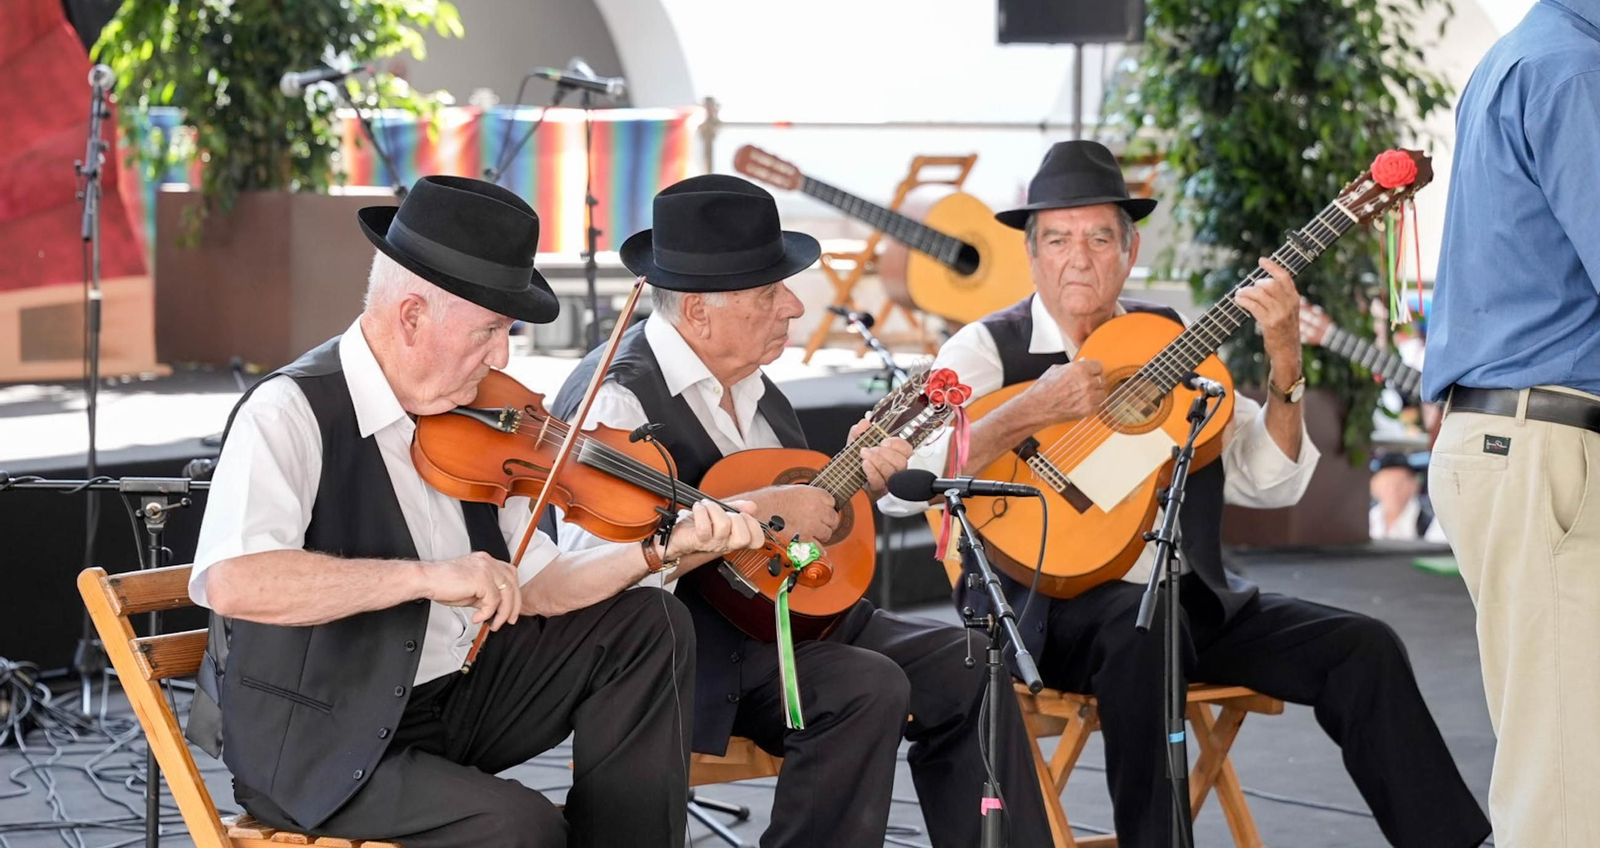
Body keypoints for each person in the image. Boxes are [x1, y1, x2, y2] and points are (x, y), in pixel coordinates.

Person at [880, 141, 1488, 848]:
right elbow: (903, 483)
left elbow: (1271, 479)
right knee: (1146, 631)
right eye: (1058, 239)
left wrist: (1285, 358)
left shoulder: (1167, 338)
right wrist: (1027, 411)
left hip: (1192, 597)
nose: (1079, 257)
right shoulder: (986, 349)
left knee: (1364, 646)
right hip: (1042, 613)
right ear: (1032, 254)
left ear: (1129, 252)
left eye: (1099, 237)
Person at [184, 176, 764, 848]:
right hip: (319, 740)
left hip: (450, 700)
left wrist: (657, 553)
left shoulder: (481, 415)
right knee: (522, 830)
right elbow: (235, 580)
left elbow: (540, 586)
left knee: (649, 623)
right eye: (489, 331)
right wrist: (425, 576)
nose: (503, 357)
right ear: (411, 316)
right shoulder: (290, 411)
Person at [550, 174, 1052, 848]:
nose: (794, 306)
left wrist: (852, 493)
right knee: (864, 687)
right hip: (688, 659)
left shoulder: (754, 388)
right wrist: (758, 511)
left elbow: (802, 545)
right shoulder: (617, 405)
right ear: (698, 311)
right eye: (770, 292)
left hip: (789, 630)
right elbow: (590, 581)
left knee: (972, 662)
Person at [1424, 0, 1600, 847]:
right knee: (1564, 797)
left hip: (1526, 443)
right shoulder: (1574, 72)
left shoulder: (1538, 53)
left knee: (1564, 769)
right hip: (1544, 447)